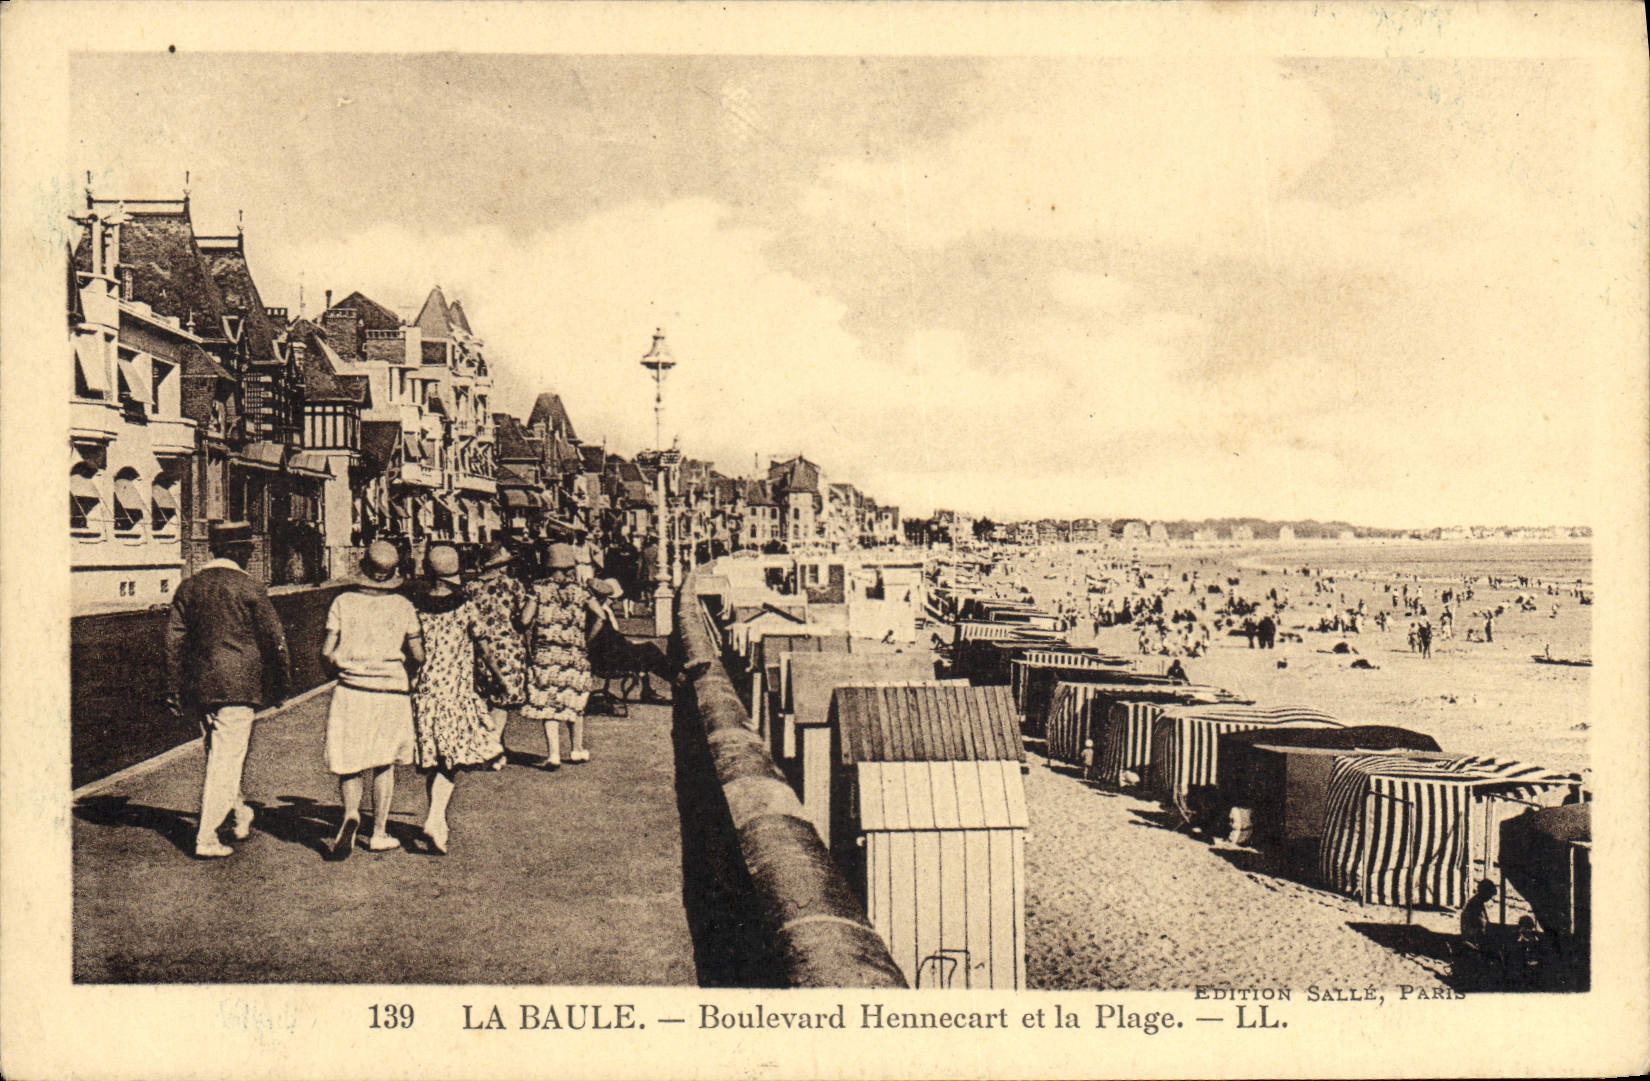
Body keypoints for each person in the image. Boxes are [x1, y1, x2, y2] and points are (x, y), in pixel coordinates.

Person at [163, 521, 291, 859]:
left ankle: (239, 812)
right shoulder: (249, 588)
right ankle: (206, 837)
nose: (249, 554)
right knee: (225, 760)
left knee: (218, 752)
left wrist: (173, 688)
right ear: (239, 551)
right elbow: (274, 640)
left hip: (199, 684)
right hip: (239, 686)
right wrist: (281, 683)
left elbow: (174, 642)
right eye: (247, 549)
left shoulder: (188, 587)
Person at [318, 541, 423, 860]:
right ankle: (378, 833)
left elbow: (326, 651)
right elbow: (417, 653)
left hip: (352, 688)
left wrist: (338, 666)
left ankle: (351, 812)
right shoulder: (403, 606)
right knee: (383, 761)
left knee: (350, 761)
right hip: (390, 689)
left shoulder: (343, 601)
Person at [410, 545, 505, 854]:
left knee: (437, 757)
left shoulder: (416, 606)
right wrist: (500, 678)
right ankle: (436, 818)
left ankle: (437, 821)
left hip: (425, 690)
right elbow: (485, 647)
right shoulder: (465, 606)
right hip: (456, 692)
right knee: (449, 760)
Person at [522, 543, 607, 766]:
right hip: (574, 654)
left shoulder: (537, 589)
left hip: (546, 653)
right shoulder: (581, 590)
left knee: (548, 703)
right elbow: (601, 616)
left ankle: (553, 754)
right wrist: (586, 640)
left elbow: (524, 620)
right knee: (574, 700)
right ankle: (577, 749)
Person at [468, 540, 536, 766]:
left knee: (486, 697)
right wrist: (533, 603)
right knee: (502, 701)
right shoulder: (512, 585)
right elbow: (524, 621)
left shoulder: (471, 587)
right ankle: (493, 750)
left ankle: (495, 745)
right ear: (499, 566)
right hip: (507, 647)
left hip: (479, 648)